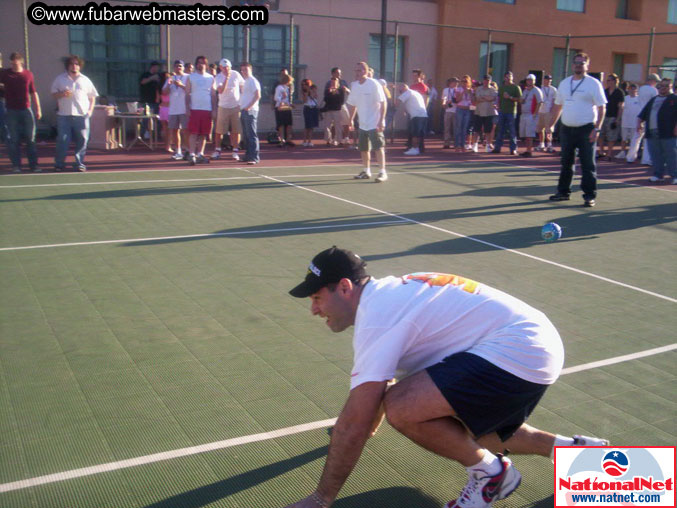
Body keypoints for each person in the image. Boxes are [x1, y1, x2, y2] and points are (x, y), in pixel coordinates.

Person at [283, 246, 609, 508]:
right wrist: (369, 425)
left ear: (344, 287)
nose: (314, 309)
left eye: (316, 298)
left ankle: (491, 474)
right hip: (530, 344)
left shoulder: (378, 317)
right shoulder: (386, 297)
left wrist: (320, 499)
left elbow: (355, 420)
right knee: (467, 431)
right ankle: (577, 451)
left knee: (405, 408)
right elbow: (377, 395)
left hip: (517, 349)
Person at [547, 52, 606, 208]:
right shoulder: (565, 83)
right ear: (572, 65)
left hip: (586, 129)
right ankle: (563, 192)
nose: (579, 65)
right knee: (566, 162)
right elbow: (558, 105)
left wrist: (597, 129)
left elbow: (602, 107)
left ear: (587, 66)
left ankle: (589, 196)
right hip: (567, 129)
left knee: (588, 164)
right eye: (576, 63)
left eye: (582, 63)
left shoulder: (593, 84)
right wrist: (551, 125)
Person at [50, 55, 98, 172]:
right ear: (68, 66)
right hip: (64, 115)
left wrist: (90, 111)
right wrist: (62, 94)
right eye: (72, 64)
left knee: (82, 140)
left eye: (77, 64)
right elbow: (53, 94)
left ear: (80, 66)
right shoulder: (60, 79)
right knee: (63, 140)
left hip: (81, 116)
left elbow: (92, 97)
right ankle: (59, 164)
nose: (74, 66)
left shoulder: (85, 80)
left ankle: (79, 163)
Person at [0, 52, 42, 173]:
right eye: (12, 62)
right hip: (11, 110)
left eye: (16, 62)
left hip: (26, 110)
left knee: (30, 139)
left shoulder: (28, 74)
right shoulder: (5, 74)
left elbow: (34, 92)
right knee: (14, 140)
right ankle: (16, 166)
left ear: (21, 62)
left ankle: (33, 165)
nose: (13, 64)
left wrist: (38, 109)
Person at [346, 61, 387, 183]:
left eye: (359, 70)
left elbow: (383, 102)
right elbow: (353, 105)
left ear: (365, 71)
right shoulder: (355, 86)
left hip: (374, 123)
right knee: (364, 149)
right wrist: (350, 120)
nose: (356, 73)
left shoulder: (374, 84)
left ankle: (382, 172)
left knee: (378, 147)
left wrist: (381, 121)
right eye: (355, 70)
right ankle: (366, 171)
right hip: (363, 124)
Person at [637, 78, 677, 184]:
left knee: (671, 155)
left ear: (671, 87)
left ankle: (674, 176)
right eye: (660, 86)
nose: (662, 88)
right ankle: (658, 175)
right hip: (652, 132)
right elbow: (643, 113)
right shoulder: (653, 99)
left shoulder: (674, 99)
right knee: (655, 155)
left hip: (668, 132)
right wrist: (639, 123)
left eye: (666, 86)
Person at [185, 55, 216, 165]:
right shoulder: (191, 77)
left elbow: (213, 94)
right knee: (193, 133)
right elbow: (187, 93)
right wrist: (187, 108)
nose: (201, 64)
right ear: (196, 64)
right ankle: (192, 154)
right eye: (199, 62)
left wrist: (214, 109)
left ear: (206, 65)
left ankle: (200, 154)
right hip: (195, 109)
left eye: (203, 62)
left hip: (206, 109)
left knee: (203, 134)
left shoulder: (211, 78)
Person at [212, 58, 244, 161]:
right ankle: (217, 151)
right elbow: (220, 90)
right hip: (223, 107)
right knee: (219, 131)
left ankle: (235, 151)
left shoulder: (236, 74)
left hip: (236, 106)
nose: (226, 69)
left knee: (236, 130)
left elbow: (242, 86)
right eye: (224, 67)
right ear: (220, 68)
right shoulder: (218, 77)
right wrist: (226, 78)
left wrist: (243, 100)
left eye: (228, 67)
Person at [629, 73, 660, 164]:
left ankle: (630, 157)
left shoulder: (641, 89)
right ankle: (646, 159)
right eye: (655, 81)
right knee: (648, 138)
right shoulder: (654, 90)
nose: (656, 83)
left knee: (636, 136)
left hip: (639, 114)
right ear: (652, 80)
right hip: (650, 115)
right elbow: (655, 104)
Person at [163, 60, 190, 160]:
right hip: (173, 109)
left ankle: (188, 150)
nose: (178, 68)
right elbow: (164, 92)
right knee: (174, 130)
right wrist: (169, 84)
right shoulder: (170, 78)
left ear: (183, 67)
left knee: (186, 130)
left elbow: (190, 91)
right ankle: (178, 151)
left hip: (184, 109)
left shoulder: (188, 77)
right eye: (176, 66)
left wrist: (181, 85)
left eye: (180, 66)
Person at [492, 71, 521, 155]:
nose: (509, 78)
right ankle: (497, 147)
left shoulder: (516, 87)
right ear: (504, 78)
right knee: (500, 130)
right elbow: (499, 98)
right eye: (507, 77)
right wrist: (498, 106)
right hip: (502, 112)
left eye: (510, 77)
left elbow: (520, 99)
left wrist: (510, 97)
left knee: (512, 131)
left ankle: (513, 149)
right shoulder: (501, 88)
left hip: (511, 112)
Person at [239, 62, 261, 165]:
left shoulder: (253, 81)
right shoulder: (246, 81)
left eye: (246, 70)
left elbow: (257, 95)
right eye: (242, 70)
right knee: (247, 135)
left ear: (250, 70)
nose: (244, 72)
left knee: (252, 135)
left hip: (250, 111)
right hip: (244, 110)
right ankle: (248, 155)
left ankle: (254, 157)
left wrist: (249, 107)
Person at [598, 73, 624, 161]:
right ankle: (601, 152)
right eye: (607, 80)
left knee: (611, 136)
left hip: (613, 116)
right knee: (601, 134)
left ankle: (609, 154)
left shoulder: (619, 92)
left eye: (609, 80)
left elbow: (621, 107)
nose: (607, 82)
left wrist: (618, 119)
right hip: (604, 116)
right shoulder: (605, 91)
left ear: (614, 81)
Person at [397, 83, 427, 156]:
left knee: (415, 134)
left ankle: (415, 149)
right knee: (419, 134)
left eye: (400, 90)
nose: (399, 92)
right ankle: (420, 149)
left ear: (403, 88)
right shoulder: (415, 93)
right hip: (423, 115)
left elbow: (397, 102)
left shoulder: (407, 92)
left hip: (416, 116)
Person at [518, 74, 543, 157]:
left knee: (529, 134)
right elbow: (521, 101)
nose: (529, 81)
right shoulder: (525, 91)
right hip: (524, 114)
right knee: (525, 134)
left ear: (534, 81)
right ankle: (527, 150)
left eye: (531, 80)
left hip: (531, 115)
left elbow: (540, 102)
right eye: (528, 80)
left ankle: (529, 151)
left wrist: (535, 114)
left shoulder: (536, 90)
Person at [472, 74, 498, 153]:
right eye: (485, 80)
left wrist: (484, 98)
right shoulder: (479, 89)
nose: (486, 81)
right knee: (476, 130)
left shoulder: (493, 90)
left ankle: (487, 146)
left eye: (488, 80)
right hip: (479, 112)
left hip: (489, 112)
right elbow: (477, 98)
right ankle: (475, 145)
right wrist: (486, 98)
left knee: (488, 131)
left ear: (490, 81)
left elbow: (492, 98)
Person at [616, 83, 641, 160]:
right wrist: (618, 119)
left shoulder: (639, 99)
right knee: (624, 138)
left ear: (637, 90)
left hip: (635, 123)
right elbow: (620, 108)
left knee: (633, 140)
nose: (632, 90)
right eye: (630, 88)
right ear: (628, 89)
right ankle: (622, 152)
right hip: (625, 121)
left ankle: (631, 154)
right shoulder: (625, 98)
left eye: (634, 89)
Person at [139, 61, 161, 139]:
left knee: (157, 119)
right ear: (152, 67)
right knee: (145, 118)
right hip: (146, 100)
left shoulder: (159, 76)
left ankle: (157, 135)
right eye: (156, 67)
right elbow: (142, 82)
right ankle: (143, 134)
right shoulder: (145, 74)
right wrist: (152, 78)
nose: (157, 69)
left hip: (156, 101)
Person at [322, 77, 347, 146]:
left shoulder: (340, 90)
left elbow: (341, 100)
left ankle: (339, 140)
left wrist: (336, 94)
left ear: (337, 83)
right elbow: (325, 100)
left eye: (335, 82)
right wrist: (330, 93)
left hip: (337, 110)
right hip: (329, 110)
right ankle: (328, 140)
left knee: (338, 126)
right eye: (332, 82)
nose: (333, 83)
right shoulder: (327, 90)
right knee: (327, 126)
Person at [536, 74, 557, 153]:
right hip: (540, 111)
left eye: (550, 80)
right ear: (544, 80)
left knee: (549, 130)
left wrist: (553, 110)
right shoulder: (540, 88)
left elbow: (555, 101)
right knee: (540, 129)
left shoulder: (554, 89)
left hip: (549, 112)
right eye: (547, 80)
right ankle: (541, 144)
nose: (548, 81)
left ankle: (549, 145)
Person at [453, 76, 474, 153]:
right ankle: (457, 146)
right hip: (460, 109)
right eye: (463, 81)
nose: (464, 83)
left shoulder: (470, 90)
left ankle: (463, 145)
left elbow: (473, 101)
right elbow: (457, 100)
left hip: (467, 110)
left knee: (464, 129)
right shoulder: (458, 89)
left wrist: (470, 93)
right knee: (458, 128)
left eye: (466, 81)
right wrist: (463, 92)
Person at [274, 73, 295, 147]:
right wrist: (282, 99)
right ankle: (281, 139)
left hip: (286, 107)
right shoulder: (279, 87)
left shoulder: (287, 88)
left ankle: (288, 139)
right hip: (280, 108)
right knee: (281, 124)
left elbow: (287, 99)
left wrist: (290, 104)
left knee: (289, 124)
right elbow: (276, 98)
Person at [301, 79, 320, 147]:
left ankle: (309, 141)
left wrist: (311, 91)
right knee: (307, 126)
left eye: (305, 84)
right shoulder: (303, 92)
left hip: (313, 108)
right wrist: (306, 94)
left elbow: (315, 96)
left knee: (311, 126)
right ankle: (304, 141)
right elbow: (304, 101)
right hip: (307, 108)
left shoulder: (313, 89)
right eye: (302, 85)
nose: (304, 86)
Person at [441, 77, 459, 149]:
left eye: (457, 82)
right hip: (448, 110)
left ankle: (456, 143)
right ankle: (446, 143)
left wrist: (452, 101)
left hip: (456, 110)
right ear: (450, 83)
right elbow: (443, 98)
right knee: (447, 127)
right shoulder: (445, 90)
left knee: (456, 127)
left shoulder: (458, 90)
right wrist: (444, 103)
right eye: (454, 82)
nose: (456, 83)